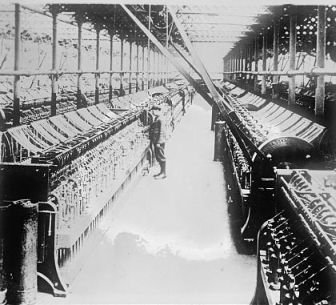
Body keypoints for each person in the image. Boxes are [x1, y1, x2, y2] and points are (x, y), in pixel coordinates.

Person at [149, 105, 167, 179]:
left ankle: (163, 173)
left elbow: (161, 132)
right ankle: (161, 172)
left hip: (159, 142)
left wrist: (158, 142)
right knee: (159, 156)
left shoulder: (160, 119)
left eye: (153, 110)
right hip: (157, 141)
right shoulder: (158, 118)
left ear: (157, 110)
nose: (152, 112)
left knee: (161, 157)